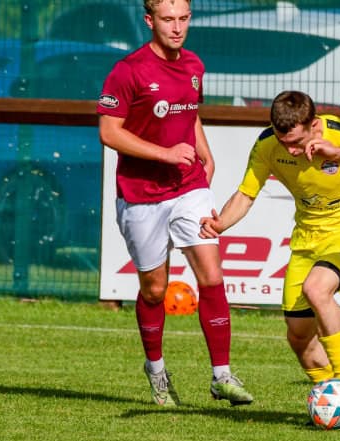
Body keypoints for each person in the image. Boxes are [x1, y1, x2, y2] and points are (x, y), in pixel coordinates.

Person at [97, 0, 252, 407]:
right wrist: (165, 154)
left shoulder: (194, 64)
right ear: (149, 21)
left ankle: (222, 375)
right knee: (154, 291)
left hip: (189, 186)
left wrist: (205, 152)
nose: (177, 27)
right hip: (141, 194)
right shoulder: (128, 71)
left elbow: (189, 113)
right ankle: (156, 370)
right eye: (168, 19)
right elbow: (109, 132)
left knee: (211, 274)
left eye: (184, 18)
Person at [199, 91, 340, 388]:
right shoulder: (267, 144)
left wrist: (337, 153)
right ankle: (328, 394)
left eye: (297, 142)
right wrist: (220, 224)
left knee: (317, 289)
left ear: (314, 124)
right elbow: (246, 194)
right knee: (298, 335)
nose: (291, 150)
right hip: (306, 241)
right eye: (285, 143)